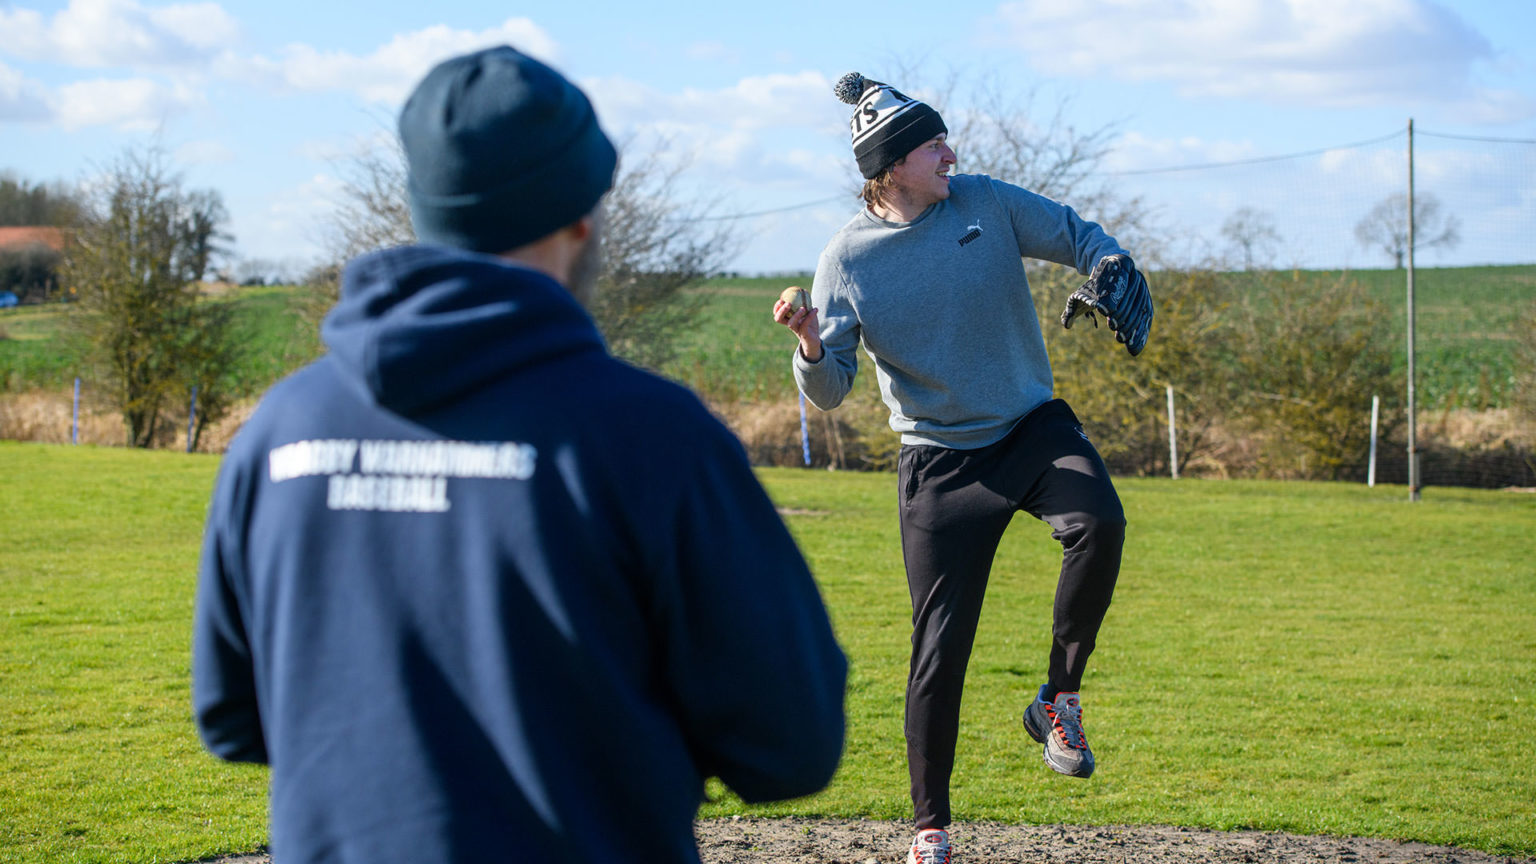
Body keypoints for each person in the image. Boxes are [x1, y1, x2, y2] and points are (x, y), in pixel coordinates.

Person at [193, 46, 847, 864]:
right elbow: (791, 743)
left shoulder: (281, 431)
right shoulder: (651, 437)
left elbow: (231, 715)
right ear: (581, 214)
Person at [773, 72, 1152, 864]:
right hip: (939, 462)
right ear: (891, 164)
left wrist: (1110, 260)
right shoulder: (845, 260)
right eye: (932, 144)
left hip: (1030, 427)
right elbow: (833, 390)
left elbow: (1077, 232)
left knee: (1100, 523)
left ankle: (1058, 699)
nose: (951, 152)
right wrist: (810, 343)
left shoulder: (985, 201)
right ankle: (930, 829)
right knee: (939, 648)